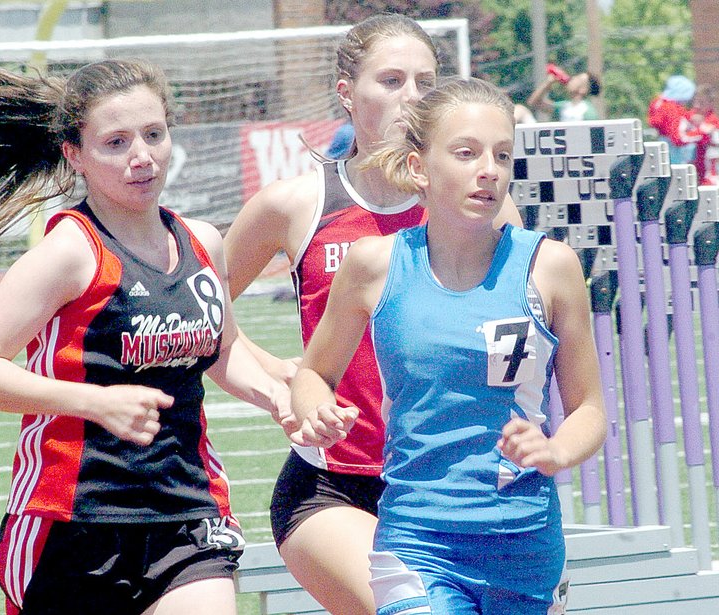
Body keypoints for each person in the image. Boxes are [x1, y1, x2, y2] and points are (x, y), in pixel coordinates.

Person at [0, 58, 292, 615]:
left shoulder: (203, 242)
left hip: (187, 512)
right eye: (115, 142)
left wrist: (279, 395)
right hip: (73, 519)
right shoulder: (70, 252)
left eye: (153, 135)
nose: (141, 156)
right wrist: (95, 401)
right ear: (75, 155)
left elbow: (222, 348)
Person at [223, 13, 523, 615]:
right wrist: (281, 382)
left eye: (424, 82)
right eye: (390, 80)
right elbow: (198, 312)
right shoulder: (296, 203)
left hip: (456, 486)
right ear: (346, 94)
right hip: (336, 487)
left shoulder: (480, 204)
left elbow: (522, 330)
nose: (411, 97)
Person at [289, 77, 607, 614]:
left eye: (502, 155)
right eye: (466, 152)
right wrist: (314, 410)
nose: (489, 169)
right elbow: (314, 374)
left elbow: (590, 409)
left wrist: (556, 450)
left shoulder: (550, 267)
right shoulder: (374, 265)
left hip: (525, 542)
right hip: (418, 539)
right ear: (419, 168)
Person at [647, 74, 700, 164]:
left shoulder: (659, 103)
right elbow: (677, 138)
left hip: (663, 146)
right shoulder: (672, 109)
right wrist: (700, 133)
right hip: (677, 154)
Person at [527, 63, 601, 122]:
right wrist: (548, 83)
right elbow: (534, 102)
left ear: (583, 89)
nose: (573, 78)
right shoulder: (564, 107)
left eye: (578, 79)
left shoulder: (588, 111)